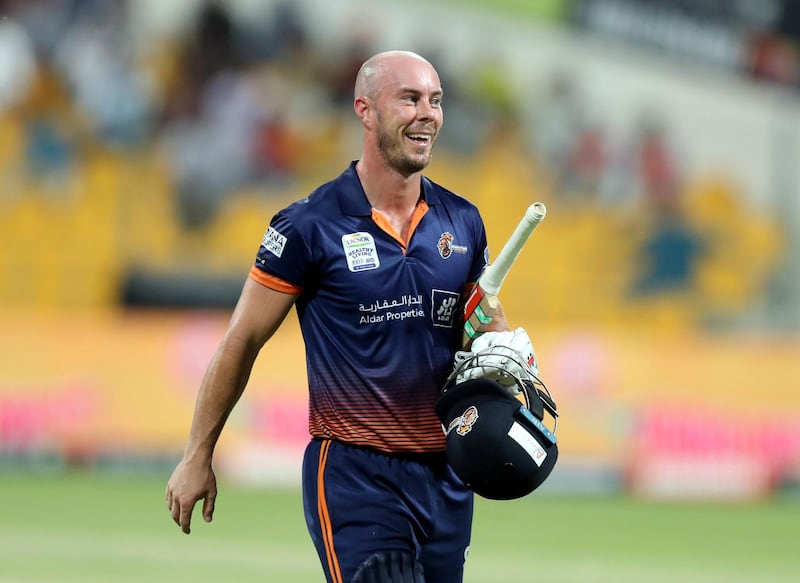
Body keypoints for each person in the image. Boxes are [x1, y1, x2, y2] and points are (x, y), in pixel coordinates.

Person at [166, 50, 533, 583]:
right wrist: (198, 453)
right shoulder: (308, 226)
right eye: (409, 98)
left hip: (447, 476)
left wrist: (497, 345)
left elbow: (477, 325)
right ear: (365, 109)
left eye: (435, 100)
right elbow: (241, 341)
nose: (427, 113)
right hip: (356, 475)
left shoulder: (464, 221)